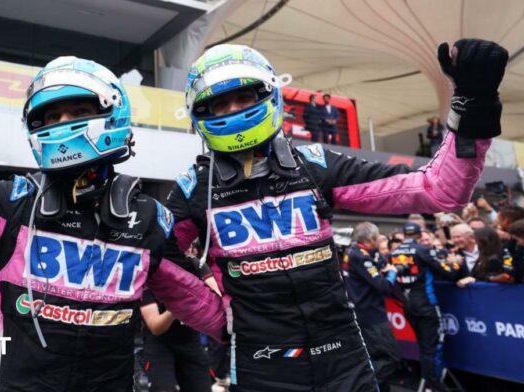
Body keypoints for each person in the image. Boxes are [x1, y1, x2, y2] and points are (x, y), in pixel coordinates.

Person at [0, 4, 224, 390]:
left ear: (114, 115)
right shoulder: (13, 203)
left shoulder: (147, 217)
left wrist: (273, 331)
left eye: (79, 111)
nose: (63, 125)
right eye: (50, 118)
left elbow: (201, 306)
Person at [170, 39, 505, 391]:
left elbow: (439, 188)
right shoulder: (195, 188)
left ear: (268, 95)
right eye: (220, 104)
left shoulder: (314, 164)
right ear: (201, 114)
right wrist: (218, 319)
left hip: (343, 359)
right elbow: (157, 262)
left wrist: (472, 108)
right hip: (260, 366)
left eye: (244, 98)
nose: (234, 110)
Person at [391, 223, 460, 391]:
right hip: (426, 304)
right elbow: (450, 273)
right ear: (419, 234)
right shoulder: (422, 250)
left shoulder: (395, 252)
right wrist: (456, 263)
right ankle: (435, 384)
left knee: (423, 346)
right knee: (433, 347)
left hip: (408, 305)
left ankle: (429, 382)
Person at [343, 222, 401, 392]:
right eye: (378, 238)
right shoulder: (360, 256)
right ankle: (360, 383)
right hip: (371, 314)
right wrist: (392, 273)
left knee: (375, 356)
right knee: (392, 358)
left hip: (362, 311)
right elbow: (383, 286)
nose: (380, 240)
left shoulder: (354, 251)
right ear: (370, 239)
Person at [140, 289, 212, 392]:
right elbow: (155, 328)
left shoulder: (194, 282)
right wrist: (176, 307)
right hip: (159, 344)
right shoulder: (150, 288)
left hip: (190, 342)